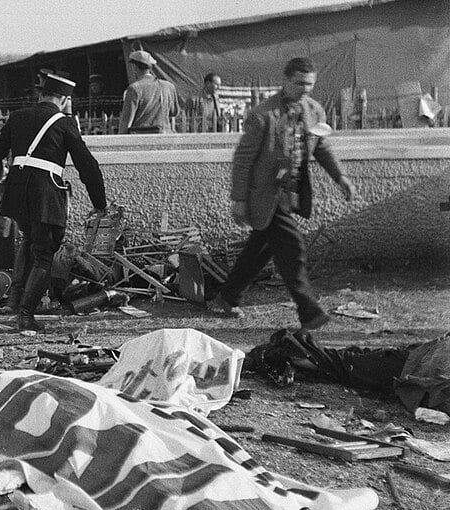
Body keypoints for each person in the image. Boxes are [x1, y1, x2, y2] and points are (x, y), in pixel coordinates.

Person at [208, 57, 356, 331]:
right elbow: (243, 159)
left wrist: (341, 177)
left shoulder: (313, 111)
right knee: (292, 248)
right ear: (286, 81)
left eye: (309, 84)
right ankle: (309, 312)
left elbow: (320, 147)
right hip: (264, 194)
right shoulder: (263, 115)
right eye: (299, 83)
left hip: (290, 194)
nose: (304, 89)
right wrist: (239, 199)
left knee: (259, 250)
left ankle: (226, 298)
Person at [0, 73, 108, 331]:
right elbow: (87, 164)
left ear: (41, 95)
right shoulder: (64, 123)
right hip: (44, 194)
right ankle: (26, 316)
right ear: (63, 100)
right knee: (44, 254)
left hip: (16, 194)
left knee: (29, 240)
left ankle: (15, 302)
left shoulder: (18, 117)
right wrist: (99, 201)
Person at [119, 49, 179, 133]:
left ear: (134, 67)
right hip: (165, 136)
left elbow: (127, 121)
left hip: (142, 138)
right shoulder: (169, 86)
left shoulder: (134, 89)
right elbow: (174, 112)